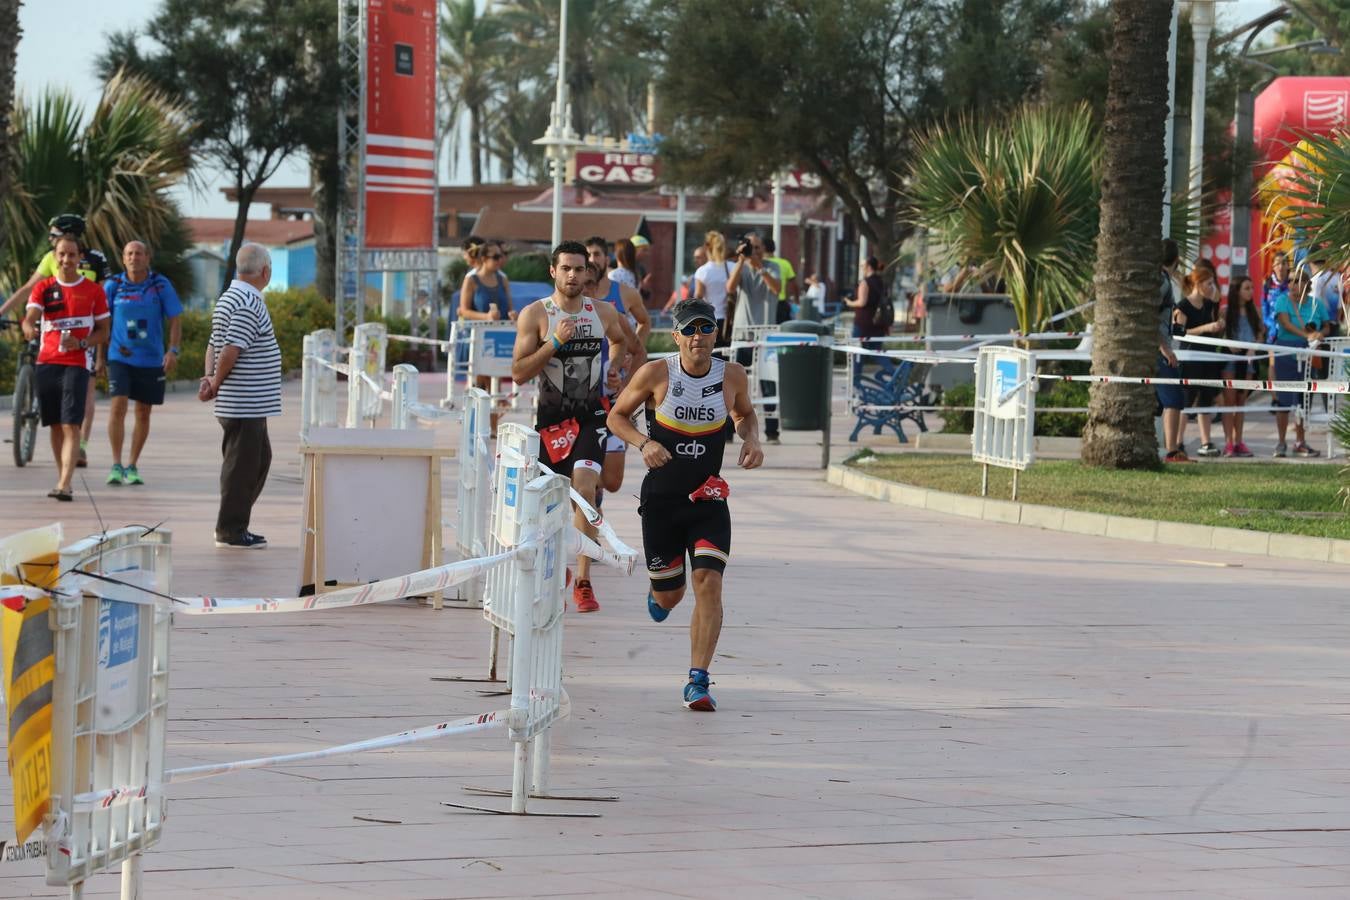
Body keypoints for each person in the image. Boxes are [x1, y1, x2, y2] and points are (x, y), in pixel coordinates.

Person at [606, 298, 765, 712]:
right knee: (672, 597)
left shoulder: (731, 374)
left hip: (708, 499)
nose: (698, 337)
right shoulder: (656, 372)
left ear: (716, 333)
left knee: (709, 583)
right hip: (662, 502)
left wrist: (751, 438)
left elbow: (744, 414)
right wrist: (644, 442)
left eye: (706, 328)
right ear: (675, 335)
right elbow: (616, 417)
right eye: (690, 330)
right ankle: (659, 595)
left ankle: (698, 680)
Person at [511, 241, 639, 613]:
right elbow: (519, 373)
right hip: (551, 422)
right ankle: (560, 570)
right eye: (565, 268)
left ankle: (583, 579)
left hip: (591, 417)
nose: (573, 275)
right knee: (554, 501)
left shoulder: (603, 311)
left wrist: (615, 370)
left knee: (585, 488)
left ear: (588, 273)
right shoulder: (536, 315)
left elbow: (624, 343)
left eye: (579, 269)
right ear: (553, 272)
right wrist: (553, 342)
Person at [3, 213, 110, 469]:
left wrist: (99, 346)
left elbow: (105, 297)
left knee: (86, 393)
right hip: (51, 325)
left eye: (54, 233)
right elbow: (28, 289)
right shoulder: (52, 256)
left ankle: (80, 445)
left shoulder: (96, 259)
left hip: (87, 329)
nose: (52, 239)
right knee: (35, 350)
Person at [198, 243, 282, 548]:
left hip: (248, 401)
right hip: (244, 401)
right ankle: (230, 529)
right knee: (241, 467)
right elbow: (231, 348)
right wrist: (216, 383)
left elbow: (213, 343)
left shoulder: (230, 297)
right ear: (265, 271)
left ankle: (236, 520)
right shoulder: (248, 301)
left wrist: (210, 377)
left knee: (257, 461)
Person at [20, 236, 110, 500]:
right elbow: (30, 318)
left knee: (71, 424)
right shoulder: (44, 288)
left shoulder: (94, 291)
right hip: (47, 362)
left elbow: (103, 332)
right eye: (62, 254)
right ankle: (63, 481)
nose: (66, 260)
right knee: (56, 425)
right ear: (54, 256)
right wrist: (28, 328)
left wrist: (82, 342)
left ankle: (64, 483)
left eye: (72, 255)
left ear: (80, 257)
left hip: (77, 364)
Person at [102, 240, 183, 485]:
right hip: (119, 357)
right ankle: (116, 464)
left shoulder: (160, 285)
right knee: (118, 406)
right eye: (129, 253)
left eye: (138, 253)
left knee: (143, 413)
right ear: (123, 258)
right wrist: (99, 357)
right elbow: (101, 322)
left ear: (147, 257)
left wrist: (173, 351)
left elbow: (176, 318)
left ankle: (132, 465)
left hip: (150, 360)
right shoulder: (113, 285)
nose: (134, 257)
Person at [726, 232, 781, 443]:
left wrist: (759, 266)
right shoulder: (739, 267)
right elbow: (730, 288)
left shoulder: (772, 266)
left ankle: (772, 431)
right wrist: (741, 260)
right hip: (742, 333)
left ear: (764, 249)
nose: (754, 251)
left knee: (769, 382)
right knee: (734, 382)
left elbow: (777, 288)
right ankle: (729, 430)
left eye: (757, 247)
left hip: (766, 334)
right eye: (750, 247)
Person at [458, 239, 514, 434]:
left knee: (492, 380)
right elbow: (463, 310)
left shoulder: (502, 279)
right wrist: (486, 317)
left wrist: (513, 316)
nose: (500, 260)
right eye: (495, 256)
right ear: (483, 258)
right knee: (484, 382)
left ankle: (491, 425)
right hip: (479, 337)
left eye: (501, 256)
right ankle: (483, 424)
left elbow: (509, 307)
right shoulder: (471, 280)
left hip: (499, 337)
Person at [1271, 266, 1323, 458]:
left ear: (1307, 284)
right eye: (1291, 280)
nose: (1293, 284)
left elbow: (1327, 324)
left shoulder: (1316, 303)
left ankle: (1300, 442)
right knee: (1284, 401)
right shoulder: (1282, 301)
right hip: (1286, 353)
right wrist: (1307, 335)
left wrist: (1319, 335)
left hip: (1308, 356)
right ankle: (1281, 442)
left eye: (1298, 280)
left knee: (1303, 400)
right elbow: (1285, 323)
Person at [1174, 260, 1224, 457]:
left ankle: (1206, 441)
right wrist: (1205, 328)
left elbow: (1215, 320)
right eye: (1209, 284)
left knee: (1206, 398)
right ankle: (1177, 442)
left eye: (1213, 284)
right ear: (1199, 283)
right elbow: (1180, 333)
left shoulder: (1209, 304)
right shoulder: (1183, 306)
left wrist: (1218, 324)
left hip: (1207, 356)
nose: (1212, 288)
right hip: (1190, 357)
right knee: (1186, 399)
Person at [585, 236, 651, 368]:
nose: (592, 259)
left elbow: (645, 322)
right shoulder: (577, 294)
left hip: (616, 375)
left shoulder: (626, 293)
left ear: (607, 259)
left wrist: (633, 352)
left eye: (597, 254)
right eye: (588, 255)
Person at [1220, 276, 1263, 458]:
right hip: (1230, 360)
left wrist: (1254, 348)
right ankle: (1228, 442)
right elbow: (1217, 333)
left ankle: (1239, 442)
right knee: (1229, 402)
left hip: (1247, 362)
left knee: (1241, 402)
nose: (1250, 291)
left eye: (1252, 288)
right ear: (1237, 290)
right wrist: (1227, 343)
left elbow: (1261, 333)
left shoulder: (1255, 312)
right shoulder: (1225, 311)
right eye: (1247, 288)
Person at [1157, 240, 1190, 463]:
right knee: (1173, 399)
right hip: (1159, 349)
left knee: (1162, 400)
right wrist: (1165, 348)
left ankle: (1170, 448)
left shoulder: (1164, 279)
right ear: (1177, 260)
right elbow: (1149, 316)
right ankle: (1171, 450)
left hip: (1160, 344)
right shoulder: (1162, 282)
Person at [693, 231, 733, 336]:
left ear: (707, 247)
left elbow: (698, 296)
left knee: (711, 352)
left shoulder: (703, 271)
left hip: (709, 319)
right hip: (731, 320)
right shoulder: (732, 267)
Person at [762, 236, 798, 323]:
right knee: (781, 332)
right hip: (780, 303)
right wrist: (796, 300)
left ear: (762, 248)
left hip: (762, 303)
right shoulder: (785, 263)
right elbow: (793, 284)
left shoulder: (757, 263)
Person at [630, 233, 654, 303]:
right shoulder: (615, 265)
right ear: (634, 249)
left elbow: (645, 296)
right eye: (644, 250)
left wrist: (645, 288)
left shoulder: (641, 268)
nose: (647, 253)